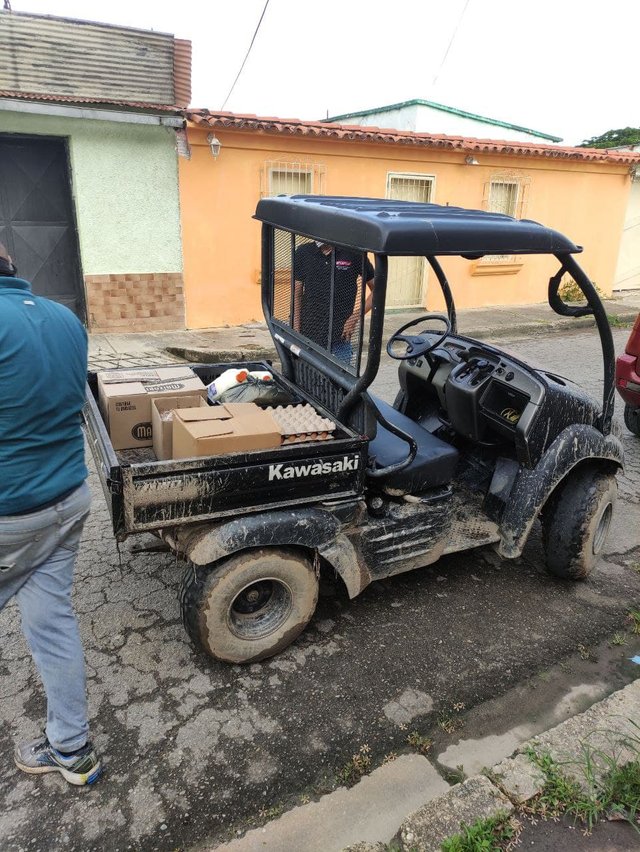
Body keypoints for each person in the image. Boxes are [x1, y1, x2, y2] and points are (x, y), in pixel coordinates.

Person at [0, 243, 101, 786]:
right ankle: (73, 749)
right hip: (66, 499)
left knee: (52, 624)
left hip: (10, 515)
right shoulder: (65, 318)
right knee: (51, 623)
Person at [293, 241, 375, 363]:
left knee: (340, 379)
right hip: (309, 333)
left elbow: (378, 289)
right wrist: (296, 330)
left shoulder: (354, 253)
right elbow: (297, 294)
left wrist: (354, 318)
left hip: (340, 336)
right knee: (308, 377)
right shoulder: (303, 252)